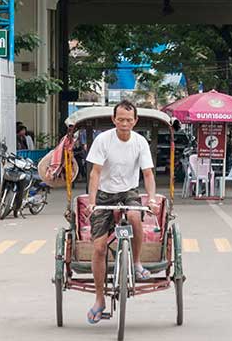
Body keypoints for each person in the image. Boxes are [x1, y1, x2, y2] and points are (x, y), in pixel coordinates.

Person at [85, 100, 158, 324]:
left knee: (135, 216)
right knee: (98, 248)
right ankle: (99, 299)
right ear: (114, 120)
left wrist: (152, 199)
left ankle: (135, 263)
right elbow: (95, 173)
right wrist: (92, 201)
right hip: (105, 194)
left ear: (135, 121)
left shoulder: (140, 142)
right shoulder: (103, 140)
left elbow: (147, 174)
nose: (125, 123)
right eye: (121, 119)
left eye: (129, 120)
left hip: (129, 192)